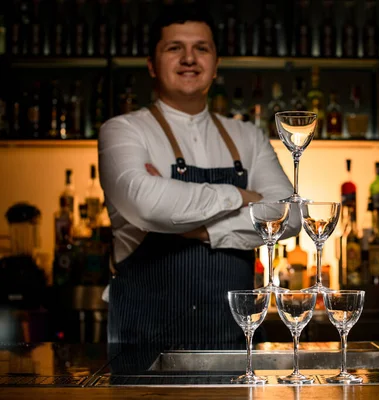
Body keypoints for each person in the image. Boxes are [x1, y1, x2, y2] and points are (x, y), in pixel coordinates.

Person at [98, 4, 300, 347]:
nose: (189, 58)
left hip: (237, 346)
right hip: (143, 349)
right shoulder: (122, 131)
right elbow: (148, 207)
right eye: (174, 48)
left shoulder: (248, 136)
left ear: (215, 64)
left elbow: (290, 216)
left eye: (201, 48)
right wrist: (241, 197)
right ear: (151, 64)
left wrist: (194, 225)